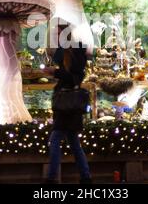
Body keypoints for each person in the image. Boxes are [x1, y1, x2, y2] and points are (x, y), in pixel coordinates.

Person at [43, 22, 92, 184]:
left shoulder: (73, 52)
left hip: (67, 105)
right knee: (73, 142)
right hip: (70, 106)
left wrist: (54, 72)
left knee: (55, 139)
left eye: (58, 34)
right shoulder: (67, 51)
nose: (56, 37)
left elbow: (73, 77)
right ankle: (85, 177)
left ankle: (52, 178)